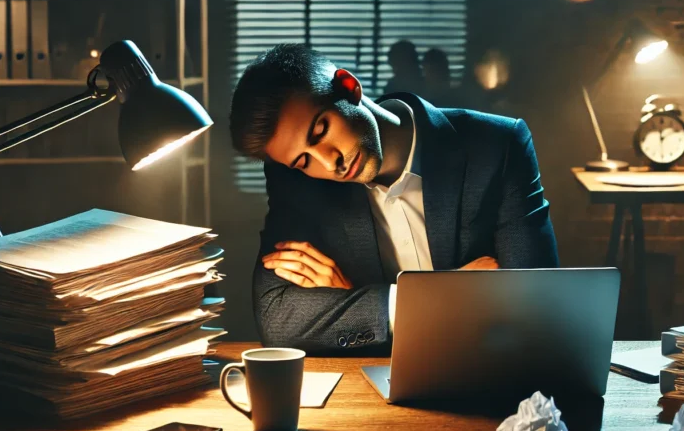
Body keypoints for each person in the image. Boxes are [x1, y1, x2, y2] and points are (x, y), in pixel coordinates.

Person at [229, 44, 559, 355]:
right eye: (304, 160)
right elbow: (277, 319)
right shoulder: (300, 186)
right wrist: (444, 294)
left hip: (494, 382)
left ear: (349, 86)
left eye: (321, 131)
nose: (330, 163)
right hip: (377, 396)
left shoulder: (498, 145)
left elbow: (535, 300)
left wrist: (353, 300)